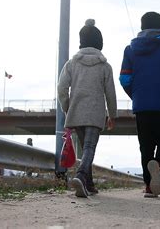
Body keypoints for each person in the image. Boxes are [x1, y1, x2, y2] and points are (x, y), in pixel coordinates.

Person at [119, 11, 160, 198]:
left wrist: (136, 95)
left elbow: (124, 79)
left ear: (142, 27)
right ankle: (159, 162)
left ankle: (148, 186)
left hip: (142, 105)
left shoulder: (130, 50)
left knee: (145, 145)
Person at [58, 19, 117, 198]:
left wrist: (67, 106)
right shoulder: (105, 67)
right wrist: (112, 115)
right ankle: (81, 176)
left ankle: (89, 185)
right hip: (95, 113)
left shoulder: (71, 64)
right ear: (100, 43)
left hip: (76, 112)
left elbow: (61, 87)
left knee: (85, 149)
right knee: (90, 148)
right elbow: (110, 93)